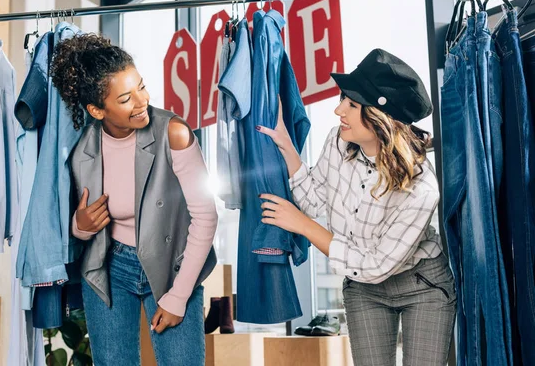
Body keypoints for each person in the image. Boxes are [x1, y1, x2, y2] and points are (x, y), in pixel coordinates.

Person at [257, 49, 456, 366]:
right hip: (363, 290)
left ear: (381, 118)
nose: (338, 111)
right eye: (341, 100)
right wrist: (286, 145)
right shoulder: (338, 142)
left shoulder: (421, 188)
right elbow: (311, 199)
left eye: (351, 104)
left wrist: (304, 226)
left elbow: (374, 265)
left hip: (423, 287)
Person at [51, 33, 218, 366]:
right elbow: (78, 225)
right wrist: (80, 226)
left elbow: (206, 217)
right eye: (126, 98)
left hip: (172, 265)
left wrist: (179, 296)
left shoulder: (174, 133)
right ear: (97, 110)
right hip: (109, 267)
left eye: (141, 86)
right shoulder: (83, 152)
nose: (142, 102)